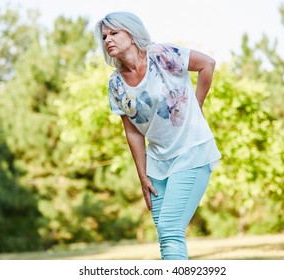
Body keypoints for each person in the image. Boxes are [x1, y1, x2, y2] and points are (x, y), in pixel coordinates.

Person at [95, 12, 221, 260]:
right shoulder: (116, 84)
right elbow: (131, 131)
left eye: (114, 33)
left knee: (170, 228)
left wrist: (197, 104)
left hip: (191, 150)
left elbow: (208, 64)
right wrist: (142, 176)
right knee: (165, 237)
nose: (108, 39)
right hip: (157, 163)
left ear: (131, 34)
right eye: (104, 36)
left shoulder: (162, 55)